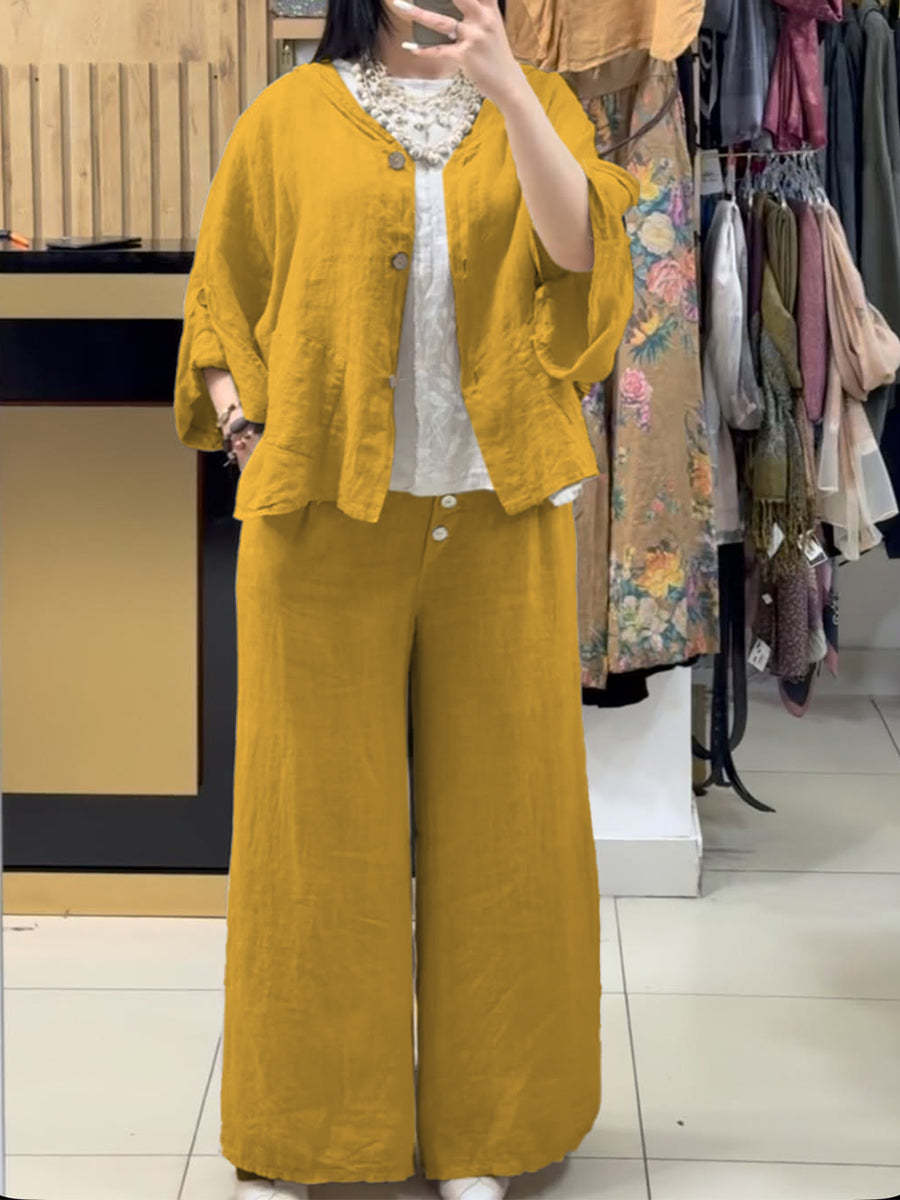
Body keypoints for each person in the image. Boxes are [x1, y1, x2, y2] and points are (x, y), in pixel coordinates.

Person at [173, 0, 639, 1195]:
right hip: (323, 521)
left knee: (510, 832)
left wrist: (509, 85)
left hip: (497, 518)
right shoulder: (287, 117)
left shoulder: (545, 105)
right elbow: (224, 294)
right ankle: (320, 1130)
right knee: (314, 834)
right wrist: (242, 426)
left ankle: (492, 1131)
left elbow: (581, 261)